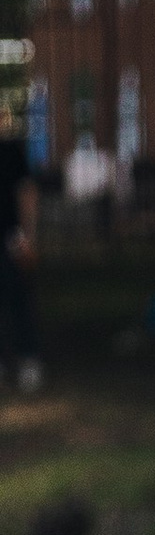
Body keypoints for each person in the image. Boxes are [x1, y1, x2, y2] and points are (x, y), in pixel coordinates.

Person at [0, 110, 39, 391]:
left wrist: (28, 236)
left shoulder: (11, 150)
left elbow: (27, 193)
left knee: (18, 296)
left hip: (10, 236)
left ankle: (28, 358)